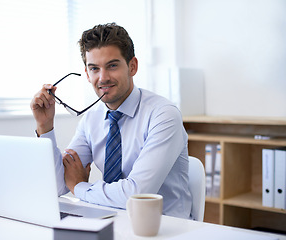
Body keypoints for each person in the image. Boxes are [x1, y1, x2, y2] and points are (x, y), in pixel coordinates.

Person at [30, 23, 192, 219]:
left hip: (165, 228)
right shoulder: (91, 119)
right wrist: (45, 126)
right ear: (87, 74)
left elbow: (135, 195)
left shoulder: (163, 115)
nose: (103, 77)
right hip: (110, 222)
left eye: (112, 66)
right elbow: (58, 186)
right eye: (94, 69)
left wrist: (79, 187)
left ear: (132, 66)